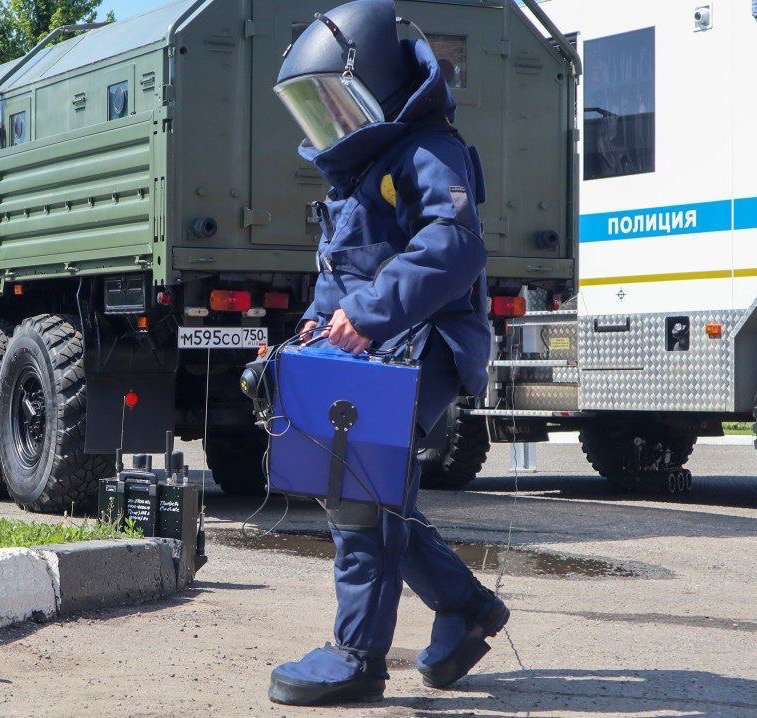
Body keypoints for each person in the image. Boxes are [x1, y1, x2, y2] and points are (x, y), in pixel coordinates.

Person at [266, 0, 509, 706]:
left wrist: (368, 316)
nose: (330, 118)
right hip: (392, 344)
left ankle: (358, 658)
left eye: (337, 100)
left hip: (429, 342)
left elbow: (454, 246)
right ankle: (464, 608)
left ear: (373, 83)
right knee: (372, 490)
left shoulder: (429, 149)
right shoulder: (362, 169)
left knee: (359, 492)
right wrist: (309, 338)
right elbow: (341, 277)